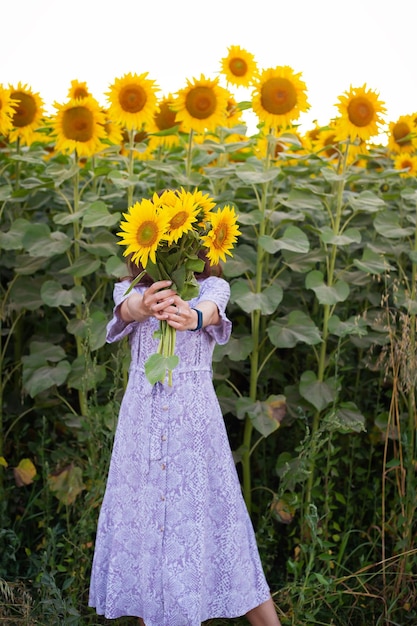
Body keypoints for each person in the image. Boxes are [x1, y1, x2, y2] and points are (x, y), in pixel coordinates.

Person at [88, 255, 282, 626]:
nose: (172, 249)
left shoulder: (212, 287)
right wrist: (143, 306)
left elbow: (209, 312)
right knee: (146, 524)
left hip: (193, 430)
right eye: (163, 243)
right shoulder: (132, 288)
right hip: (141, 428)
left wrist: (190, 316)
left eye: (178, 241)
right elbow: (126, 310)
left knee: (221, 521)